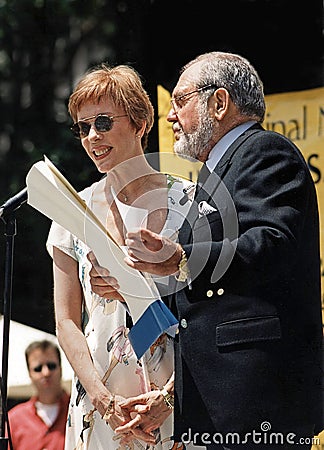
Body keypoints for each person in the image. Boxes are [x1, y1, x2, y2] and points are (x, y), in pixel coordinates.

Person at [100, 52, 323, 449]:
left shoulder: (265, 151)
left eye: (180, 101)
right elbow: (204, 305)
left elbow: (271, 243)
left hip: (257, 402)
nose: (171, 117)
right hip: (222, 405)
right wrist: (131, 285)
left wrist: (183, 257)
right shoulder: (218, 173)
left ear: (219, 104)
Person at [46, 63, 198, 449]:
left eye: (101, 122)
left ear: (140, 121)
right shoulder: (70, 211)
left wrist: (168, 398)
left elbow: (210, 313)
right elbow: (66, 321)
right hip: (100, 406)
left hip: (175, 399)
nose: (92, 137)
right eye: (82, 128)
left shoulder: (191, 203)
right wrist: (101, 399)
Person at [7, 339, 70, 450]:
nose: (46, 373)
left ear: (61, 368)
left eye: (51, 366)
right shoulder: (13, 419)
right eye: (38, 368)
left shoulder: (79, 411)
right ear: (30, 374)